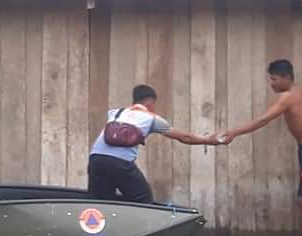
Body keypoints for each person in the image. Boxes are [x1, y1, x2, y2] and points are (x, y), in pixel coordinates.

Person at [220, 59, 302, 236]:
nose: (271, 83)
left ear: (287, 78)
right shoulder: (301, 91)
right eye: (270, 79)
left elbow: (263, 120)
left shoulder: (287, 97)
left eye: (274, 79)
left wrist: (234, 132)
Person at [88, 84, 221, 203]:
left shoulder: (115, 113)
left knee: (101, 202)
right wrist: (208, 140)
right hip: (120, 163)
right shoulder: (151, 118)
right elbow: (184, 137)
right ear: (150, 102)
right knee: (143, 199)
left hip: (95, 159)